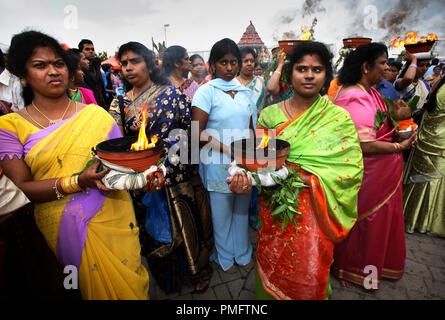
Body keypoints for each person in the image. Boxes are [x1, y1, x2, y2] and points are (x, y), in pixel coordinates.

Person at [0, 30, 153, 300]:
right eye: (40, 65)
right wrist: (77, 182)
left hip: (113, 213)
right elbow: (23, 187)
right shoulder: (10, 126)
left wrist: (147, 176)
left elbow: (120, 168)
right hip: (60, 224)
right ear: (22, 74)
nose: (52, 71)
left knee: (127, 280)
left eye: (58, 64)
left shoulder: (95, 115)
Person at [229, 41, 363, 300]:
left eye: (317, 69)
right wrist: (241, 176)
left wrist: (304, 177)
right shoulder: (269, 115)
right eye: (302, 69)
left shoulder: (338, 118)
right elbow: (256, 159)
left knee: (308, 269)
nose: (310, 75)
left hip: (316, 210)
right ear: (290, 74)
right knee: (273, 260)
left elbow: (350, 170)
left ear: (327, 76)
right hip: (276, 207)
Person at [108, 41, 213, 294]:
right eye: (124, 63)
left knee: (187, 223)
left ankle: (196, 272)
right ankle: (169, 278)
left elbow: (190, 129)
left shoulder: (171, 94)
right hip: (144, 177)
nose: (129, 67)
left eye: (135, 61)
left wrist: (186, 164)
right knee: (154, 230)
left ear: (148, 63)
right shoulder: (119, 105)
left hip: (178, 171)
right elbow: (119, 143)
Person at [332, 42, 417, 290]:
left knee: (379, 224)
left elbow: (385, 126)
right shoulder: (354, 97)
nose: (386, 68)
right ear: (366, 66)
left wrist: (404, 131)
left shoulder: (371, 91)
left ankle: (379, 268)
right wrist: (399, 148)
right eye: (382, 63)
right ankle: (355, 271)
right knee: (367, 224)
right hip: (368, 176)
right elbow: (365, 145)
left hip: (383, 175)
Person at [192, 38, 257, 274]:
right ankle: (225, 257)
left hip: (243, 162)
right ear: (213, 65)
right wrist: (232, 151)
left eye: (233, 62)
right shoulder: (205, 92)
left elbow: (252, 128)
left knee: (241, 209)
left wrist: (250, 157)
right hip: (217, 161)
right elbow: (198, 133)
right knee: (221, 214)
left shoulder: (246, 93)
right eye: (223, 62)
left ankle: (243, 253)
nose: (229, 68)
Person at [402, 75, 445, 237]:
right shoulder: (439, 82)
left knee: (425, 178)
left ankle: (413, 215)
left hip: (429, 137)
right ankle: (426, 220)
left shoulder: (439, 82)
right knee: (433, 178)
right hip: (439, 140)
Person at [395, 51, 431, 124]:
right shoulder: (400, 82)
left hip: (416, 123)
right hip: (402, 123)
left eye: (427, 65)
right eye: (421, 65)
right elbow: (408, 78)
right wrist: (414, 59)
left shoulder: (424, 84)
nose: (425, 69)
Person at [236, 46, 267, 114]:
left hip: (259, 123)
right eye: (245, 61)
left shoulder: (261, 82)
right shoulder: (233, 83)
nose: (249, 64)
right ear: (238, 63)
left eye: (252, 61)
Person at [78, 39, 107, 108]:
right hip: (88, 107)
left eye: (92, 49)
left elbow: (101, 87)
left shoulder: (97, 67)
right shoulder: (79, 70)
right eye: (87, 49)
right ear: (81, 52)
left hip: (102, 105)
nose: (91, 51)